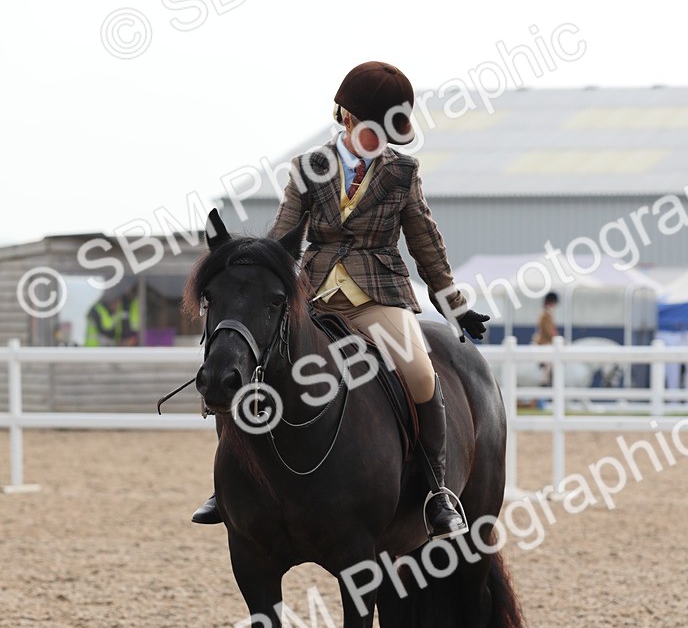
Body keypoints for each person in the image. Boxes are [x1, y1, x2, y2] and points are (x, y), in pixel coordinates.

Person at [192, 61, 489, 537]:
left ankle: (436, 489)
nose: (383, 142)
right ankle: (229, 483)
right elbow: (285, 234)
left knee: (418, 371)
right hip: (314, 290)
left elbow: (425, 242)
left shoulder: (402, 173)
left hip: (378, 293)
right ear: (347, 118)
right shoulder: (310, 169)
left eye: (390, 133)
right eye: (375, 130)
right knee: (251, 361)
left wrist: (452, 302)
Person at [533, 291, 559, 390]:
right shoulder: (545, 315)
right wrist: (555, 338)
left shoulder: (548, 314)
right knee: (550, 360)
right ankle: (545, 380)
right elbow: (548, 331)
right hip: (543, 342)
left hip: (547, 341)